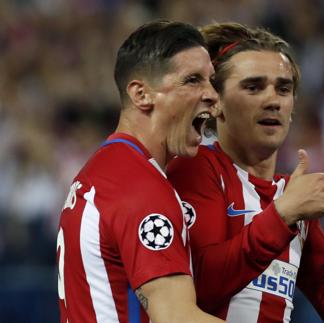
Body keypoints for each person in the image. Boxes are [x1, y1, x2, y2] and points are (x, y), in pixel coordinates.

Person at [167, 22, 324, 323]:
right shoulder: (196, 168)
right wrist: (282, 215)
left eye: (283, 89)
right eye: (253, 87)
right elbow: (198, 290)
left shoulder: (289, 193)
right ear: (216, 104)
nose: (273, 100)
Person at [55, 21, 223, 323]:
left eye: (211, 80)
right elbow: (175, 317)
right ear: (141, 94)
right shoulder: (140, 186)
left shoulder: (104, 171)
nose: (212, 94)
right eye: (193, 80)